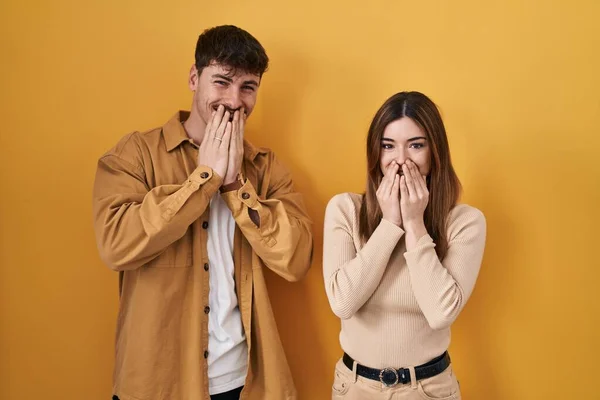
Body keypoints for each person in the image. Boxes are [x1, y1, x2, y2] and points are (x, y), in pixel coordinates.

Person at [92, 25, 313, 400]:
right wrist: (204, 179)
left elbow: (296, 259)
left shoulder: (265, 168)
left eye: (248, 87)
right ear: (194, 78)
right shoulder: (135, 155)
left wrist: (233, 187)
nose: (234, 100)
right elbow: (116, 244)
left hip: (243, 382)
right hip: (158, 383)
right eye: (222, 82)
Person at [323, 91, 486, 399]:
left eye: (416, 145)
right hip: (355, 387)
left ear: (435, 152)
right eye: (388, 146)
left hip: (428, 389)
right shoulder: (344, 209)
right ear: (376, 153)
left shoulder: (465, 222)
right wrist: (390, 224)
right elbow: (343, 303)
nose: (400, 160)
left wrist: (413, 224)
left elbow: (440, 314)